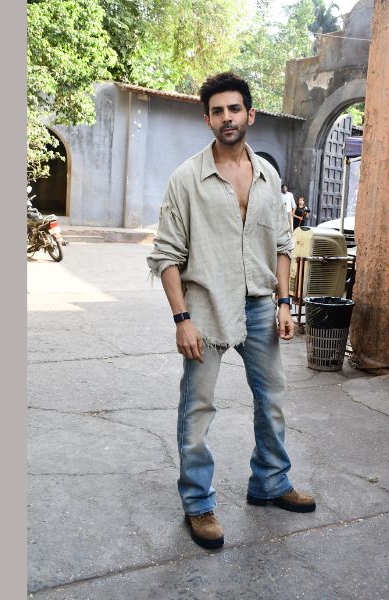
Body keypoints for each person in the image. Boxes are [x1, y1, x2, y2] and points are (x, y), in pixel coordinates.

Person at [146, 72, 316, 551]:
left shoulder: (268, 176)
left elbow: (281, 244)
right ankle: (198, 503)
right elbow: (166, 255)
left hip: (261, 304)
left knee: (272, 398)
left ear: (250, 115)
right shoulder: (187, 178)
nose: (227, 118)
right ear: (207, 119)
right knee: (198, 407)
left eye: (234, 109)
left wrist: (284, 302)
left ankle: (270, 482)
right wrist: (182, 319)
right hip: (206, 307)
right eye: (217, 111)